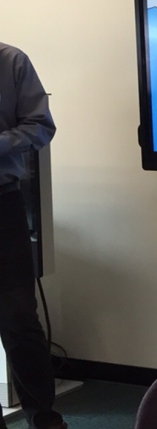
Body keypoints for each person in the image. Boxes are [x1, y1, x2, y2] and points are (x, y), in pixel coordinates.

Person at [0, 43, 65, 429]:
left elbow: (40, 125)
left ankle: (44, 418)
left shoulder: (11, 61)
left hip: (1, 203)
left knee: (19, 317)